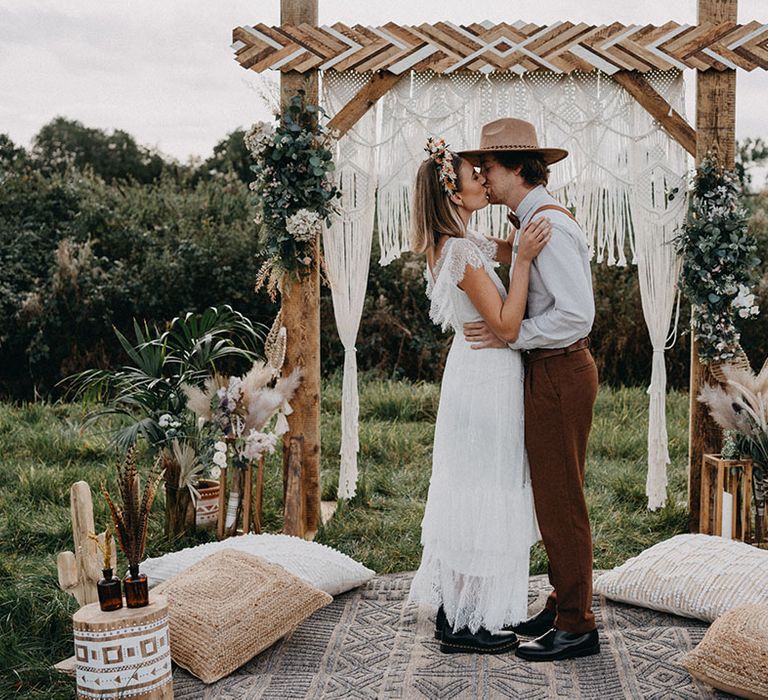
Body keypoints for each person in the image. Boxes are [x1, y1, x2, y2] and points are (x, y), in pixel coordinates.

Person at [459, 118, 600, 662]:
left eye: (489, 168)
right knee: (551, 494)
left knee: (561, 499)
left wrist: (509, 339)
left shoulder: (549, 226)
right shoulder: (531, 220)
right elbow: (526, 268)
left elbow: (576, 315)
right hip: (549, 369)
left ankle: (576, 624)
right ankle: (563, 600)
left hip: (560, 368)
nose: (483, 177)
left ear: (516, 167)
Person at [407, 136, 551, 655]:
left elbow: (506, 248)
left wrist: (532, 228)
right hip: (488, 378)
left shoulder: (455, 243)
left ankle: (457, 613)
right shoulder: (462, 250)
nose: (484, 180)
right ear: (453, 190)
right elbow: (508, 325)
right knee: (486, 488)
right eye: (475, 175)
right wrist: (528, 262)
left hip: (471, 373)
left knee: (468, 487)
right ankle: (470, 624)